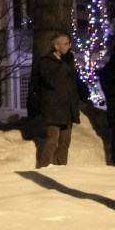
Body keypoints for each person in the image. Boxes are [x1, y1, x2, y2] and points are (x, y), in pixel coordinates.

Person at [37, 33, 80, 168]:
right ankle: (44, 169)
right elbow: (51, 81)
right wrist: (64, 66)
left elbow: (71, 86)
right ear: (56, 46)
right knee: (52, 141)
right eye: (65, 44)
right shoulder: (45, 62)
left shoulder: (67, 62)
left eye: (68, 43)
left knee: (65, 142)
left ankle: (62, 169)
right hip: (54, 109)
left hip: (67, 109)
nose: (68, 46)